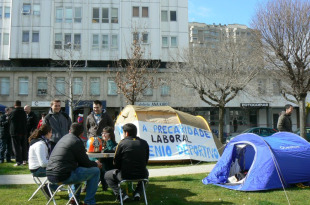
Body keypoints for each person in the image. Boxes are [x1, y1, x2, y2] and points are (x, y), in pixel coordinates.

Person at [46, 123, 101, 205]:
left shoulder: (63, 139)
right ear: (82, 133)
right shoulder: (77, 141)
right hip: (63, 176)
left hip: (50, 175)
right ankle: (89, 202)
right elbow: (85, 162)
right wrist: (96, 164)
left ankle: (74, 200)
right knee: (96, 171)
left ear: (69, 131)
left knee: (78, 170)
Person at [104, 123, 149, 202]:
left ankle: (122, 195)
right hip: (141, 174)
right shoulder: (144, 143)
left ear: (126, 133)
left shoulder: (122, 143)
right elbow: (146, 160)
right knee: (146, 172)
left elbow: (116, 162)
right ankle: (138, 193)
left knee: (107, 175)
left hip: (125, 175)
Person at [9, 100, 28, 166]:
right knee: (24, 147)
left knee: (16, 147)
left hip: (15, 132)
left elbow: (9, 121)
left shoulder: (13, 112)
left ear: (15, 105)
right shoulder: (24, 112)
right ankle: (24, 160)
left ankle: (18, 161)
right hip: (23, 132)